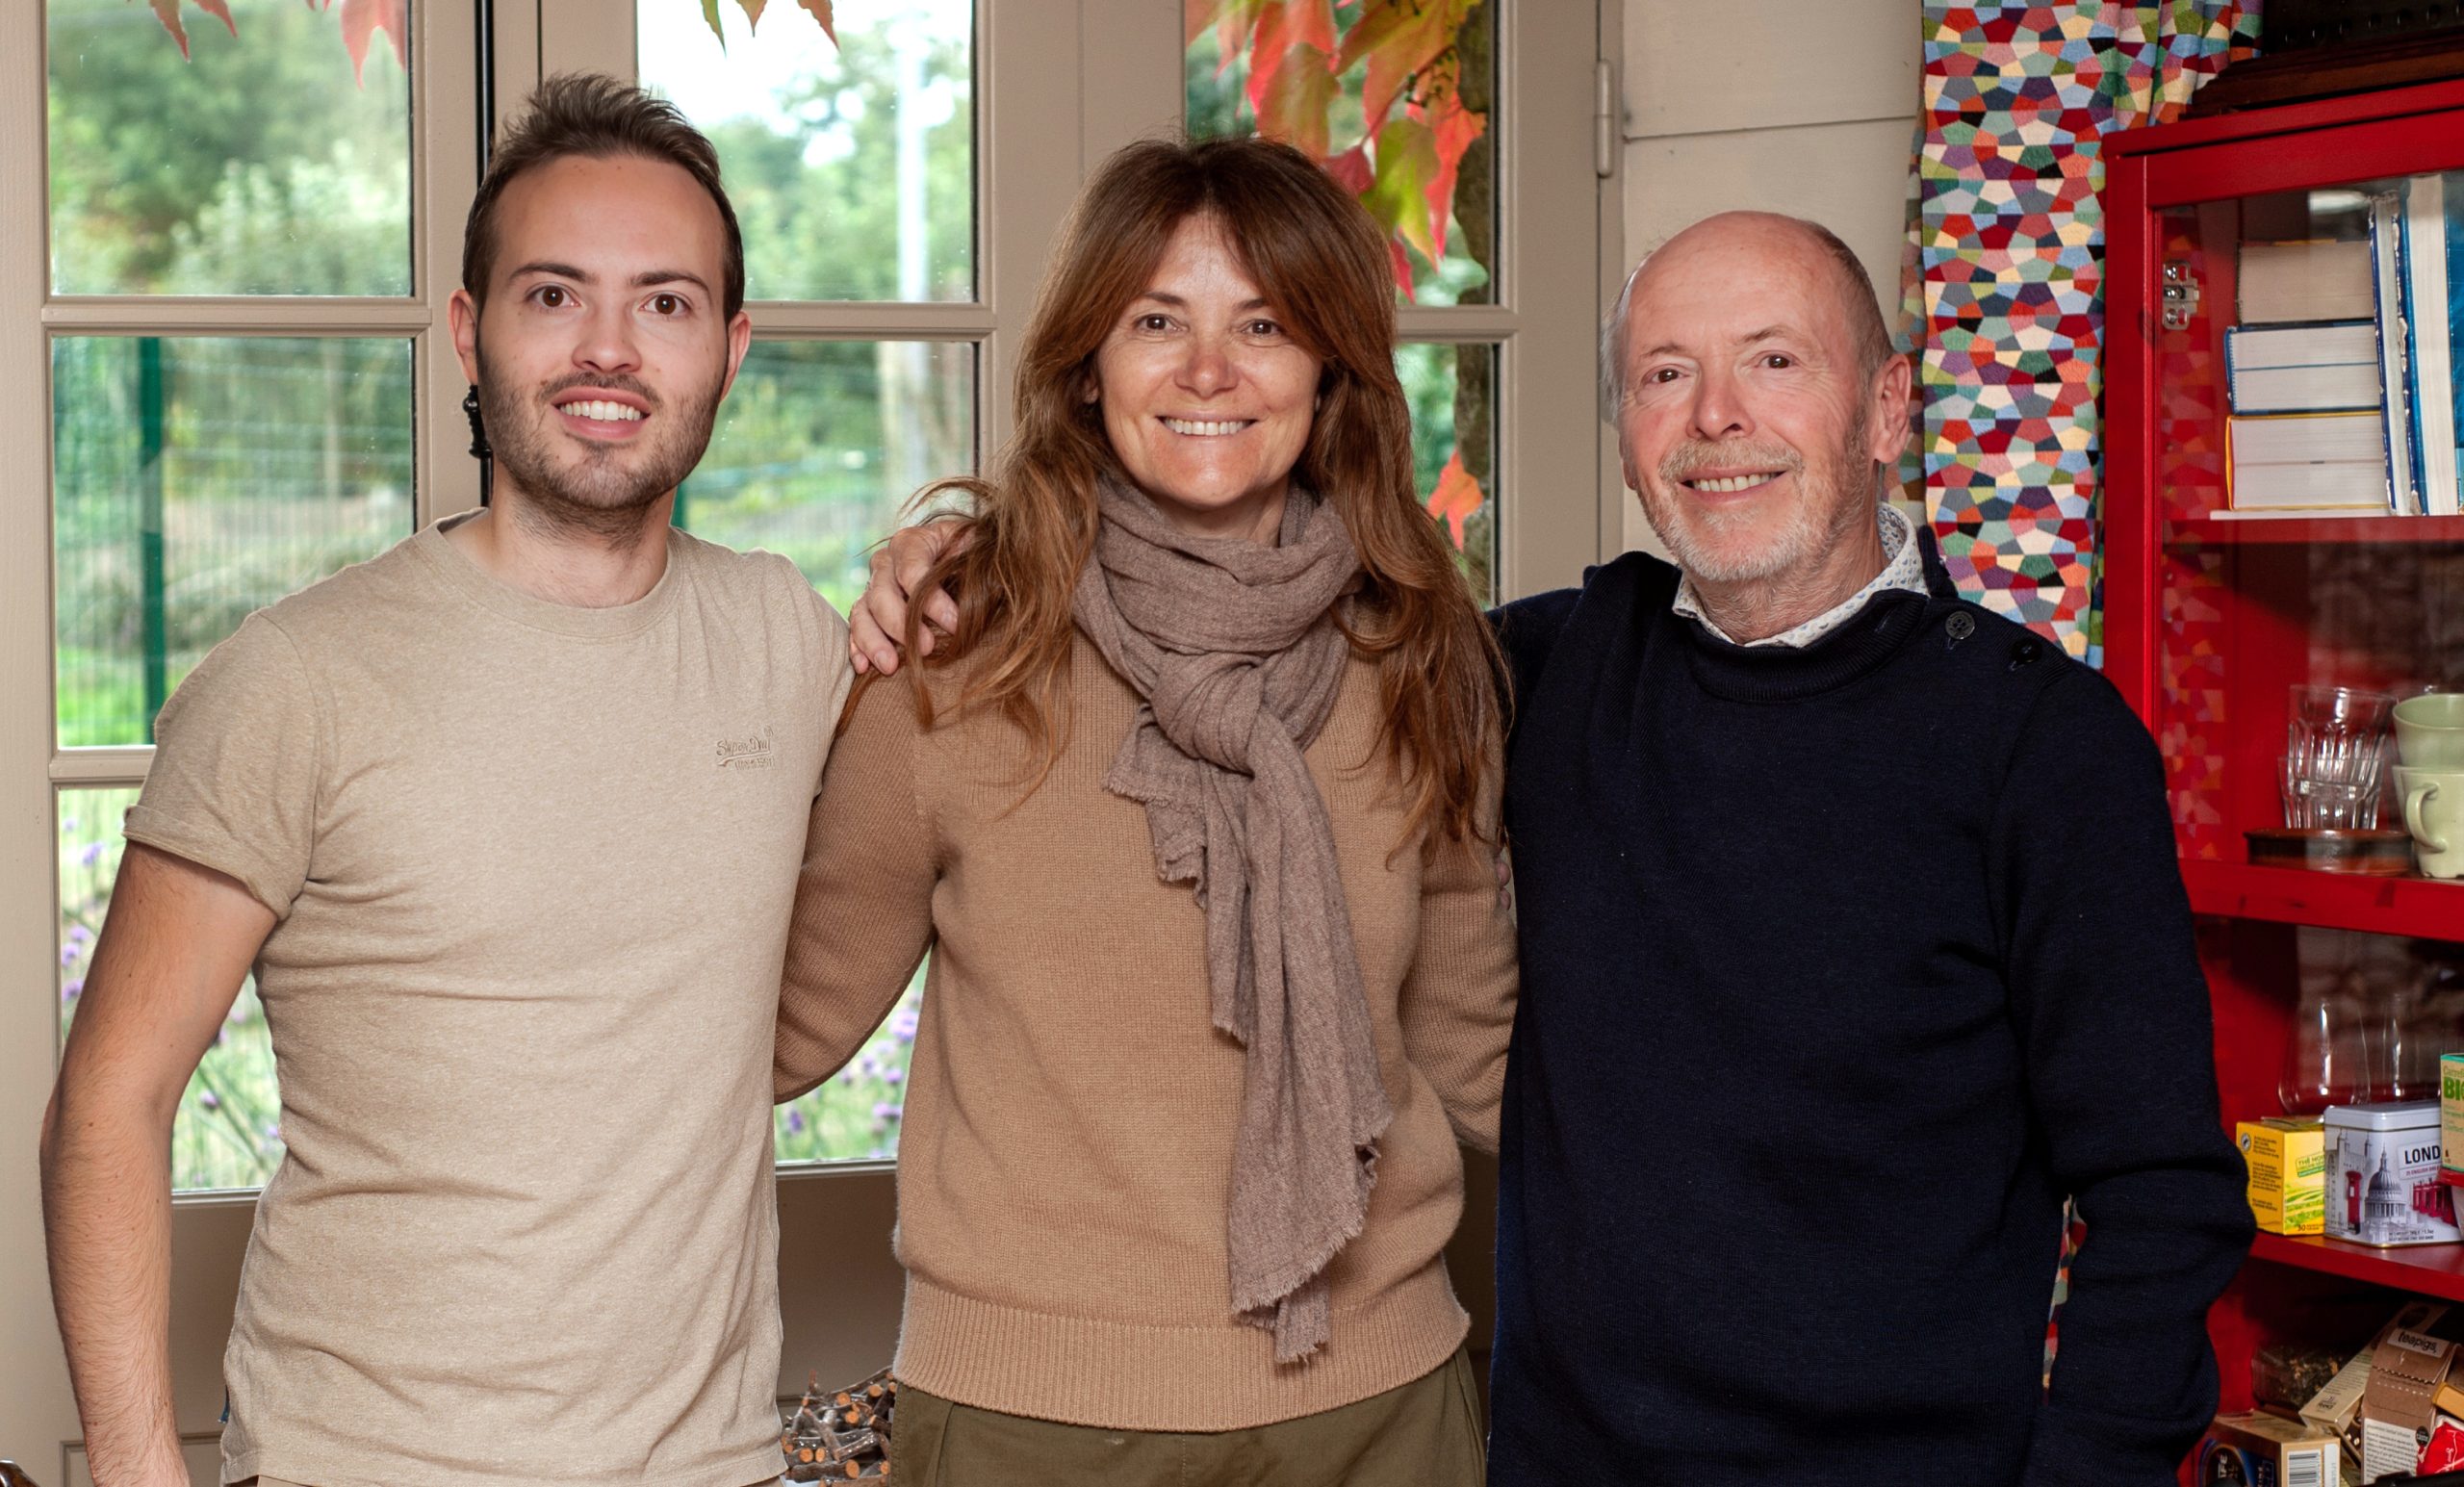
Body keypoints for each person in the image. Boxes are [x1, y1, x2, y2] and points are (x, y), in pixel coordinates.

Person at [851, 210, 2255, 1485]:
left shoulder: (2043, 746)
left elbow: (2163, 1194)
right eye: (1664, 375)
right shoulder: (1532, 675)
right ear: (1628, 427)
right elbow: (1261, 625)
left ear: (1889, 405)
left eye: (1774, 362)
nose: (1718, 419)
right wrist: (973, 561)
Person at [40, 75, 849, 1487]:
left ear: (732, 345)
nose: (608, 348)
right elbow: (110, 1097)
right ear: (469, 335)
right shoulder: (300, 677)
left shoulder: (791, 640)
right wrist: (133, 1465)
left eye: (664, 302)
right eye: (554, 296)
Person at [772, 135, 1518, 1486]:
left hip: (1383, 1413)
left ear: (1331, 368)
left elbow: (1485, 1042)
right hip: (1028, 1421)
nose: (1210, 372)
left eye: (1266, 324)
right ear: (1087, 363)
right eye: (1156, 320)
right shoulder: (958, 654)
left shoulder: (1418, 653)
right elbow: (782, 1019)